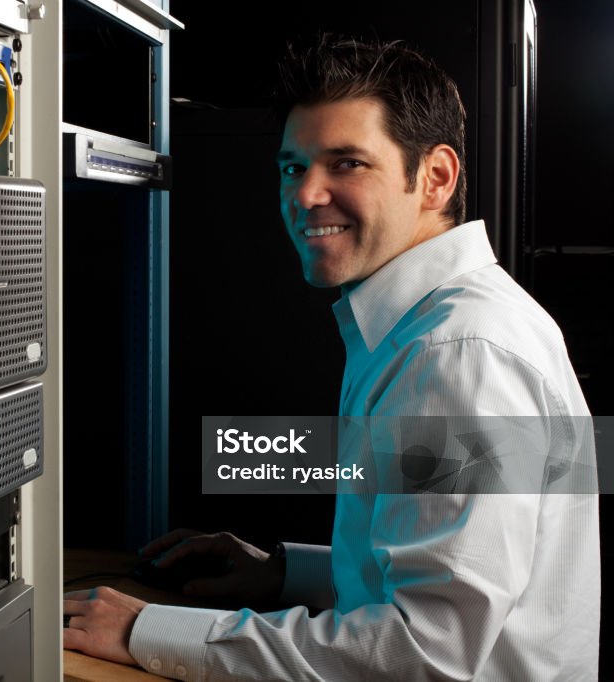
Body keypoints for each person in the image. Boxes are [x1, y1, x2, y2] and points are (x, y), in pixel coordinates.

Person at [62, 37, 599, 680]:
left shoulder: (456, 355)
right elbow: (454, 579)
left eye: (346, 163)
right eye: (293, 167)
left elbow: (427, 652)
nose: (307, 193)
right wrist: (284, 572)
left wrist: (149, 628)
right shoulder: (435, 325)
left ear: (435, 177)